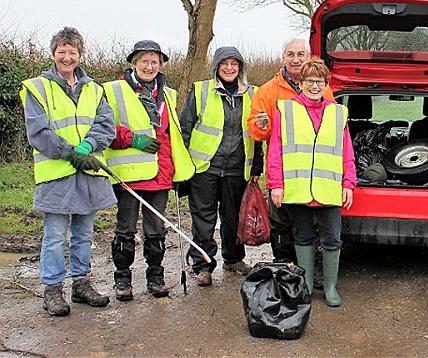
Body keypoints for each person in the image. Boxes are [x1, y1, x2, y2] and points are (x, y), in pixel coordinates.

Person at [19, 27, 115, 316]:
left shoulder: (95, 89)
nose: (67, 56)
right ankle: (52, 289)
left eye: (72, 51)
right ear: (53, 53)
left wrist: (89, 145)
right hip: (57, 175)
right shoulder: (37, 87)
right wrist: (70, 152)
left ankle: (81, 284)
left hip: (89, 174)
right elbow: (38, 131)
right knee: (55, 235)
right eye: (62, 51)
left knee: (84, 233)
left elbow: (105, 124)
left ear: (79, 55)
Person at [103, 40, 195, 301]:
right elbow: (105, 127)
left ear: (161, 65)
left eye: (154, 61)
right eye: (144, 61)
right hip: (129, 175)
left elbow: (169, 137)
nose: (149, 66)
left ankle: (156, 276)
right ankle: (122, 279)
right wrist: (133, 139)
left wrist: (175, 171)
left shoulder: (168, 94)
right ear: (134, 63)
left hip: (159, 174)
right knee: (126, 229)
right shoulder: (114, 91)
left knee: (156, 230)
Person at [267, 58, 356, 307]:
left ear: (325, 84)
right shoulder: (285, 110)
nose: (314, 86)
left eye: (319, 81)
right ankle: (305, 286)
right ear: (301, 82)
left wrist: (349, 183)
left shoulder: (338, 113)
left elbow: (347, 152)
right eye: (309, 81)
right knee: (303, 237)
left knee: (332, 239)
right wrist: (276, 183)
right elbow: (276, 150)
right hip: (299, 189)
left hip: (329, 190)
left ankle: (329, 287)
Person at [180, 46, 263, 287]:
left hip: (238, 168)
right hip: (205, 167)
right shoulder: (201, 90)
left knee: (233, 216)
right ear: (216, 66)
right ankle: (203, 265)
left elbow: (257, 134)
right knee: (203, 218)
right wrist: (183, 166)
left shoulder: (252, 94)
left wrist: (257, 167)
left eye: (234, 64)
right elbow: (185, 128)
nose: (229, 68)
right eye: (224, 63)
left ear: (240, 68)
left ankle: (234, 259)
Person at [247, 38, 334, 265]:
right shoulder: (267, 91)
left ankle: (309, 269)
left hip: (316, 174)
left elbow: (333, 131)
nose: (295, 59)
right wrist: (261, 125)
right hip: (283, 172)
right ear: (283, 58)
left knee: (313, 225)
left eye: (300, 54)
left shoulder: (325, 90)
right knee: (281, 224)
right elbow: (256, 131)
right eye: (290, 54)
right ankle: (284, 267)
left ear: (309, 57)